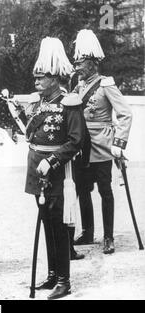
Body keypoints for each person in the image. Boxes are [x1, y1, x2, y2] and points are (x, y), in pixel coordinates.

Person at [24, 37, 85, 299]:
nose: (37, 82)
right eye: (36, 78)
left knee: (58, 226)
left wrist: (53, 160)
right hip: (38, 170)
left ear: (54, 77)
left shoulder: (69, 102)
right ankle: (51, 275)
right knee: (46, 222)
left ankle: (64, 280)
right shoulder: (39, 103)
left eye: (42, 78)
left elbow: (76, 140)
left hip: (58, 172)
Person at [72, 29, 133, 254]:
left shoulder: (106, 85)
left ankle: (108, 237)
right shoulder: (77, 87)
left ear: (92, 64)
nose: (76, 67)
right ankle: (88, 231)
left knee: (105, 191)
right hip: (81, 146)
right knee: (82, 188)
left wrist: (119, 143)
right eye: (76, 62)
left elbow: (125, 113)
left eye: (80, 63)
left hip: (101, 146)